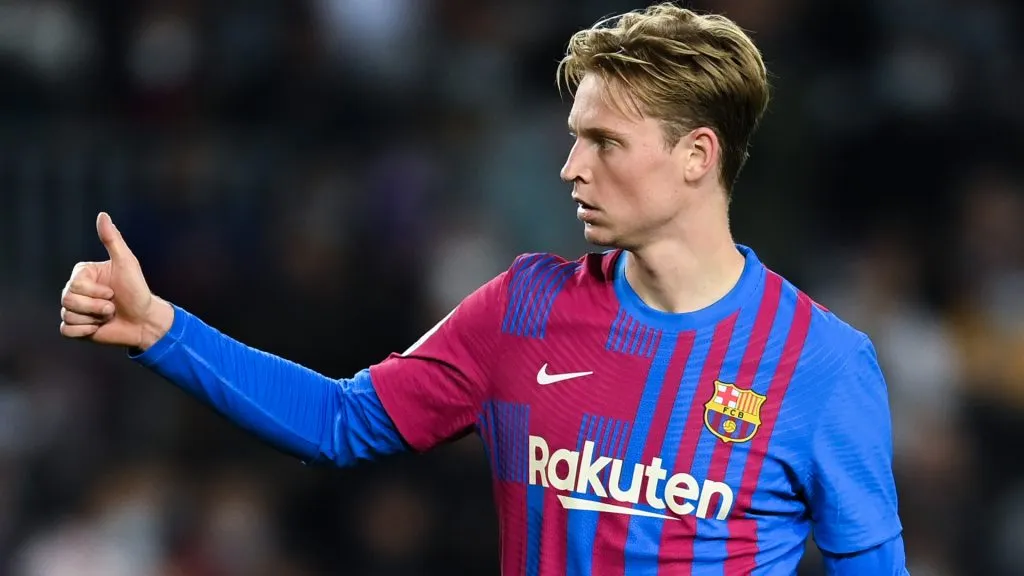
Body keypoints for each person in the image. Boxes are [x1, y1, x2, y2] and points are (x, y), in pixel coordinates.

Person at [58, 4, 908, 575]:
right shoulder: (523, 309)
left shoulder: (819, 365)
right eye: (575, 139)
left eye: (606, 142)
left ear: (697, 156)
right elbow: (340, 421)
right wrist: (162, 330)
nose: (572, 168)